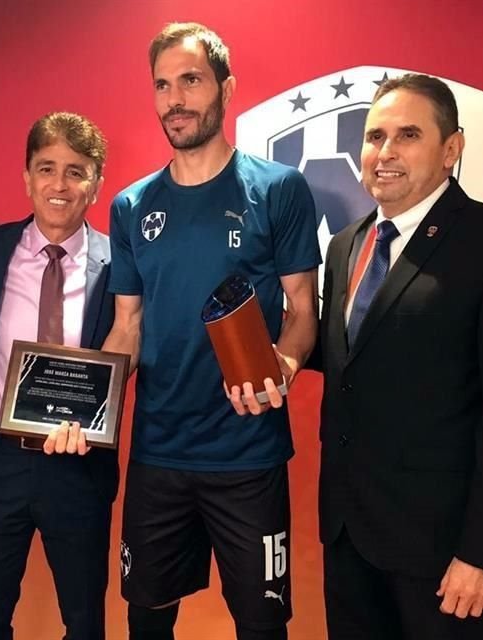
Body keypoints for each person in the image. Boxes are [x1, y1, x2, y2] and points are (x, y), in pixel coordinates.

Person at [313, 73, 483, 639]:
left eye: (407, 135)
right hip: (349, 539)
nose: (385, 153)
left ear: (452, 148)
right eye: (374, 136)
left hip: (448, 558)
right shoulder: (347, 244)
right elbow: (354, 361)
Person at [103, 22, 320, 640]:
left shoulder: (278, 189)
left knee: (260, 624)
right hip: (157, 454)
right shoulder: (130, 205)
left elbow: (303, 309)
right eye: (163, 85)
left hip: (247, 453)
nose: (175, 99)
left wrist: (285, 363)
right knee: (146, 620)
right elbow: (128, 325)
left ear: (227, 89)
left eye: (191, 80)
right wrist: (88, 407)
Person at [0, 112, 117, 640]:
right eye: (46, 168)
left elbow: (135, 348)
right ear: (27, 176)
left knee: (85, 622)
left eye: (76, 171)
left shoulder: (121, 263)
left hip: (80, 466)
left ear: (97, 181)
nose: (59, 185)